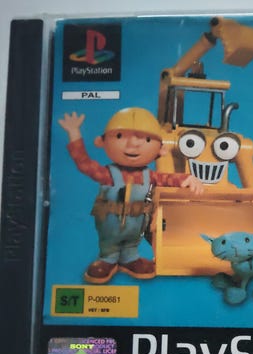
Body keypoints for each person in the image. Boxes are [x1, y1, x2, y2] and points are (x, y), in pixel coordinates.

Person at [59, 107, 204, 284]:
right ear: (101, 141)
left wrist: (188, 178)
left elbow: (167, 178)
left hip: (136, 227)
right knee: (109, 244)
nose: (133, 144)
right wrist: (74, 133)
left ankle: (130, 258)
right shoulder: (107, 174)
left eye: (147, 139)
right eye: (120, 136)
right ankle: (108, 259)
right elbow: (85, 164)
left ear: (161, 149)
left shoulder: (149, 176)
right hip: (109, 226)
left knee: (131, 244)